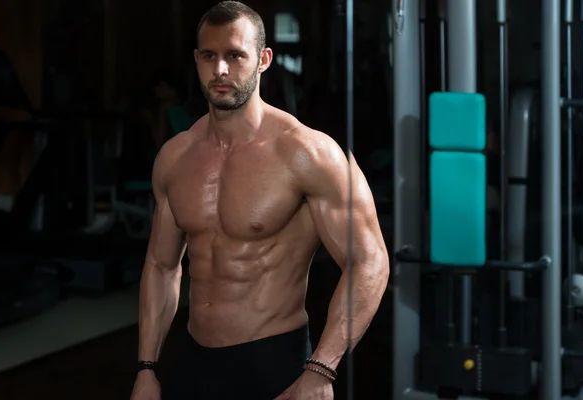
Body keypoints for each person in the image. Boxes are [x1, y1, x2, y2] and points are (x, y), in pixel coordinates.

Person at [129, 2, 390, 399]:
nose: (220, 70)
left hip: (274, 362)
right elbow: (162, 267)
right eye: (209, 56)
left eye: (234, 55)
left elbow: (370, 261)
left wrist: (321, 370)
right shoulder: (175, 157)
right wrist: (147, 367)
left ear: (263, 59)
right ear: (196, 60)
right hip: (194, 358)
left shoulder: (307, 153)